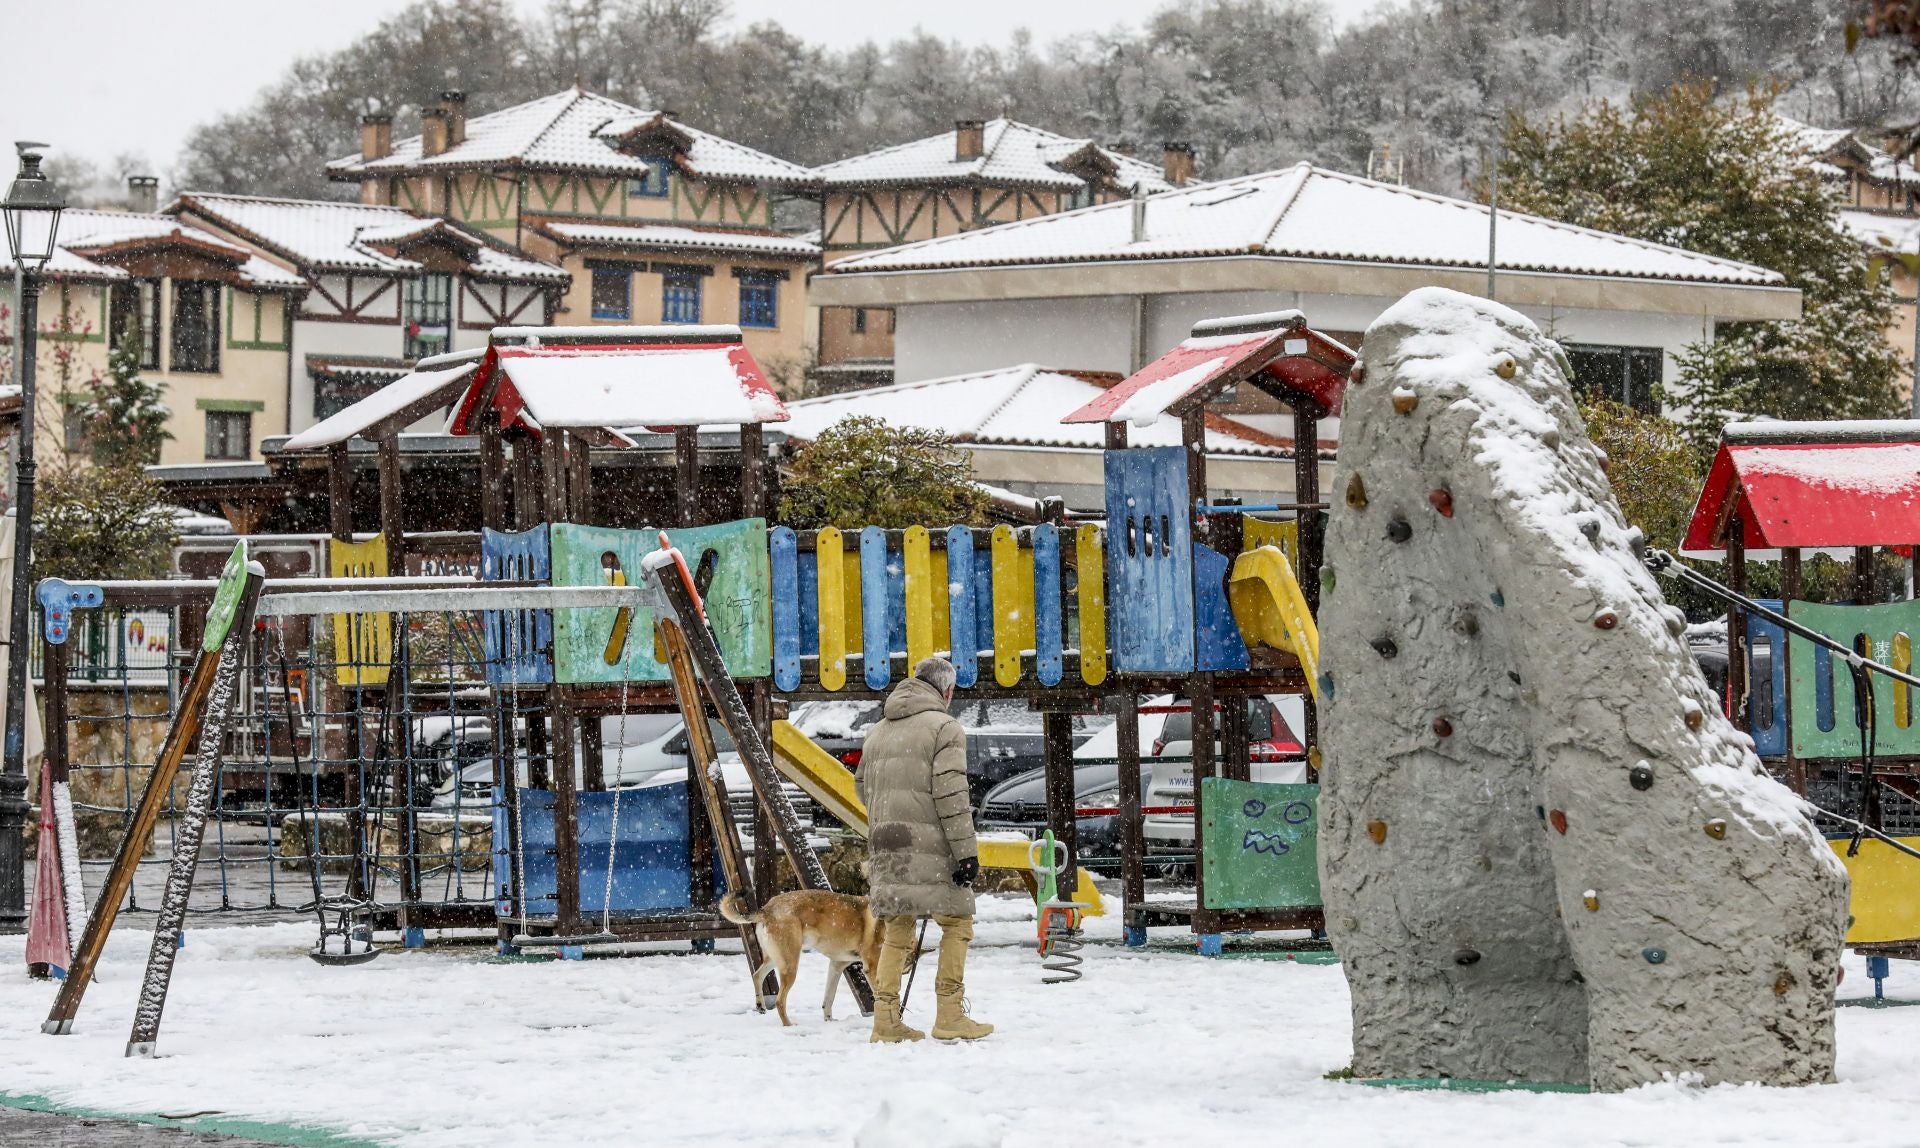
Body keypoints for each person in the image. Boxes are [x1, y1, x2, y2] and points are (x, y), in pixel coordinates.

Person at [854, 656, 993, 1043]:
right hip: (933, 847)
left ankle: (885, 1020)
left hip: (886, 841)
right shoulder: (945, 728)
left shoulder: (877, 731)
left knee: (898, 929)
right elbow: (951, 795)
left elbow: (862, 788)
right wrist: (966, 853)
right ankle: (949, 1014)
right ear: (946, 691)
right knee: (957, 923)